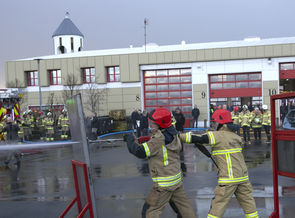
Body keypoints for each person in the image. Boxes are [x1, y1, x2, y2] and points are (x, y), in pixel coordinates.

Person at [181, 109, 259, 218]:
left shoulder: (217, 136)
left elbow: (197, 138)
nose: (213, 124)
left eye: (214, 122)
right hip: (243, 177)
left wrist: (177, 137)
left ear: (221, 123)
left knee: (218, 204)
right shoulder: (234, 136)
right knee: (248, 203)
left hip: (228, 179)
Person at [125, 108, 197, 218]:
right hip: (176, 182)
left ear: (160, 125)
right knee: (184, 211)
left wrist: (130, 139)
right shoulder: (174, 134)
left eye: (152, 125)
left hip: (163, 186)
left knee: (149, 211)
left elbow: (139, 152)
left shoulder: (158, 140)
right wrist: (147, 139)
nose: (150, 127)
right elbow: (160, 143)